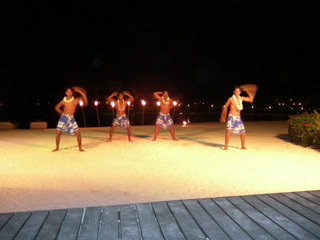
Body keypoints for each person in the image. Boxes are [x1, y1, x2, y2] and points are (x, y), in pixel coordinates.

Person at [220, 84, 258, 150]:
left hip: (238, 118)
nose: (237, 92)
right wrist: (223, 116)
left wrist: (247, 91)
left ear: (240, 92)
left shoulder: (241, 98)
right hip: (231, 117)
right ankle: (226, 146)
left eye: (239, 91)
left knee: (243, 132)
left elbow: (251, 99)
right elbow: (225, 106)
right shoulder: (231, 99)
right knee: (228, 131)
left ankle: (243, 146)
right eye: (236, 91)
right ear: (234, 92)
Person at [52, 86, 88, 152]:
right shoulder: (63, 101)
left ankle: (80, 148)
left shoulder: (75, 100)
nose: (69, 93)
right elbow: (56, 107)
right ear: (66, 93)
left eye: (70, 92)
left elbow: (85, 103)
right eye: (67, 92)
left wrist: (80, 92)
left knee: (78, 133)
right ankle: (57, 147)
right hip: (63, 117)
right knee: (58, 132)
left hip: (71, 118)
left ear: (72, 93)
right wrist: (62, 113)